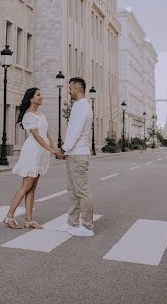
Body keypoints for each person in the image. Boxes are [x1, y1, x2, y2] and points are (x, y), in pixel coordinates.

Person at [4, 87, 57, 229]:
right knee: (26, 186)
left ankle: (29, 219)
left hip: (41, 152)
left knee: (33, 187)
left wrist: (55, 148)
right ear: (31, 99)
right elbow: (37, 136)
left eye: (41, 94)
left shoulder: (41, 114)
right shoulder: (28, 115)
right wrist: (51, 150)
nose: (41, 97)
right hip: (33, 152)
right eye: (38, 95)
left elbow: (47, 135)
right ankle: (9, 216)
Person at [56, 77, 94, 237]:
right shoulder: (79, 106)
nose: (69, 91)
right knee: (72, 191)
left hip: (78, 154)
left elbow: (75, 132)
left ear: (77, 89)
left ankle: (87, 227)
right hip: (74, 153)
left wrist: (63, 149)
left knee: (82, 191)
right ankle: (72, 223)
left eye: (70, 88)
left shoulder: (82, 107)